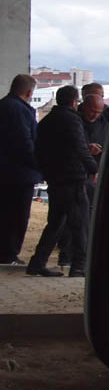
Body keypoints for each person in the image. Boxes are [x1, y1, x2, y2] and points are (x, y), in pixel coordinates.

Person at [27, 85, 97, 277]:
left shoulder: (47, 121)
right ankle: (79, 266)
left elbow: (40, 149)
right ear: (75, 102)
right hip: (72, 178)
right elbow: (78, 147)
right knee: (80, 223)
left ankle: (37, 262)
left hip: (55, 178)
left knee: (56, 223)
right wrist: (94, 168)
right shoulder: (72, 120)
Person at [55, 91, 108, 267]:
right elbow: (71, 146)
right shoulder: (74, 120)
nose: (95, 115)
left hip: (95, 175)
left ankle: (84, 256)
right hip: (76, 174)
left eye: (98, 112)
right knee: (72, 221)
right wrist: (87, 149)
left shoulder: (105, 124)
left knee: (86, 218)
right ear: (83, 106)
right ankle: (70, 258)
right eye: (92, 111)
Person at [0, 74, 41, 267]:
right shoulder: (19, 110)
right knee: (16, 216)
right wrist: (39, 164)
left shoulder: (4, 105)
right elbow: (24, 142)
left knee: (6, 213)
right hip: (19, 174)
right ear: (29, 92)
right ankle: (8, 254)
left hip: (7, 172)